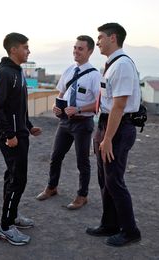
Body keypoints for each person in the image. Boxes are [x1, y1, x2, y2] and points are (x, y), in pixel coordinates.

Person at [85, 23, 142, 247]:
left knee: (114, 181)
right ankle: (109, 224)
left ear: (113, 38)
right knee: (104, 180)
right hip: (105, 125)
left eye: (100, 37)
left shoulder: (123, 65)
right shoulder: (111, 64)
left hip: (117, 128)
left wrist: (107, 138)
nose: (97, 41)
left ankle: (130, 231)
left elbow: (119, 105)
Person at [35, 35, 101, 210]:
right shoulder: (69, 70)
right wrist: (57, 107)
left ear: (90, 51)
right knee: (55, 156)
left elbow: (98, 104)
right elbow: (61, 94)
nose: (76, 51)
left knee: (82, 161)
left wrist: (79, 109)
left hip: (83, 124)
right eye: (75, 48)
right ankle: (51, 187)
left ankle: (82, 196)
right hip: (65, 122)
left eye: (80, 48)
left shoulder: (95, 75)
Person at [0, 32, 42, 246]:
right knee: (18, 179)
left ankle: (12, 216)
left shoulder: (18, 72)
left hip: (20, 133)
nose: (28, 51)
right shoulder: (5, 74)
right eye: (25, 47)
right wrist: (10, 135)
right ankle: (5, 227)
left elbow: (18, 107)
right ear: (14, 49)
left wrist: (28, 126)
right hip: (11, 137)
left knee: (12, 176)